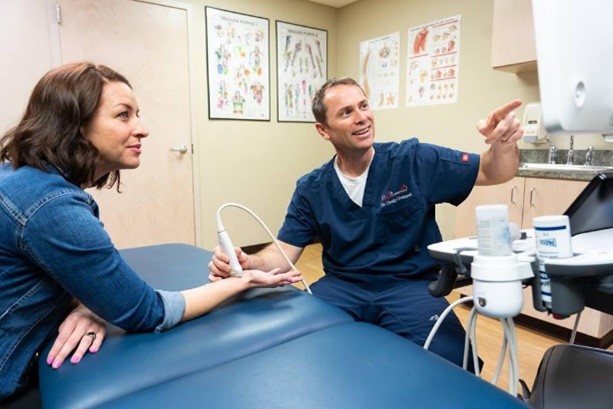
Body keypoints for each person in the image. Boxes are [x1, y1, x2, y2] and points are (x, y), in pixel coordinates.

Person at [0, 62, 302, 404]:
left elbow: (59, 276)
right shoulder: (51, 205)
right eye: (123, 115)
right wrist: (240, 281)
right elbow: (148, 312)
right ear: (75, 126)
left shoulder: (18, 178)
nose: (142, 129)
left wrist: (91, 303)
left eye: (137, 114)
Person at [209, 77, 523, 370]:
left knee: (455, 364)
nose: (361, 117)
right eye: (346, 112)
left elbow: (493, 171)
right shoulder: (312, 188)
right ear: (324, 130)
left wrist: (503, 144)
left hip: (408, 287)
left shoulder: (412, 160)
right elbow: (282, 254)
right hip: (342, 288)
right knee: (295, 353)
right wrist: (249, 261)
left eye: (363, 106)